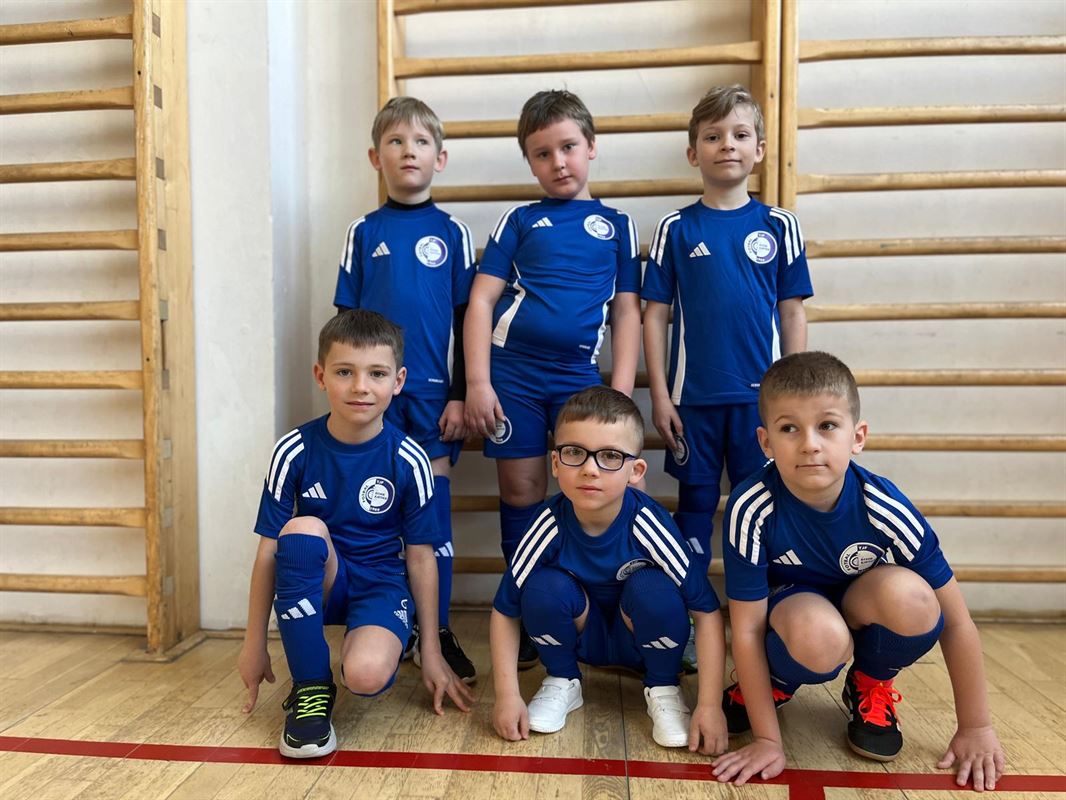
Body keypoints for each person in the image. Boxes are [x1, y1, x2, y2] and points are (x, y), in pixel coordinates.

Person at [712, 352, 1006, 791]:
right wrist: (768, 740)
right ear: (766, 442)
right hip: (794, 616)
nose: (810, 443)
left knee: (915, 598)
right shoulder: (752, 506)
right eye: (789, 428)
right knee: (819, 634)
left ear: (858, 437)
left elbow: (958, 621)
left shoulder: (883, 505)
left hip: (856, 602)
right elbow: (748, 630)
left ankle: (870, 680)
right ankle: (777, 680)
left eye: (827, 425)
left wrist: (976, 727)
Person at [237, 310, 473, 759]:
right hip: (324, 577)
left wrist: (432, 648)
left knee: (365, 676)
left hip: (381, 583)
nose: (361, 386)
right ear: (320, 376)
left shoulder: (410, 459)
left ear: (398, 381)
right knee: (301, 530)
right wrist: (253, 643)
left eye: (376, 374)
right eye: (345, 372)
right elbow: (268, 551)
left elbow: (421, 557)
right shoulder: (293, 450)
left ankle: (378, 639)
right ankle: (310, 688)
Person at [465, 90, 643, 668]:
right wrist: (478, 383)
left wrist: (618, 395)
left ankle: (594, 609)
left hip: (579, 382)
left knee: (593, 491)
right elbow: (481, 302)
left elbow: (627, 313)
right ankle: (522, 612)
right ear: (530, 162)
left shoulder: (616, 225)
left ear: (591, 147)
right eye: (542, 154)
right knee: (520, 493)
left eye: (568, 147)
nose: (558, 162)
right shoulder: (519, 220)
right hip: (511, 378)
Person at [490, 386, 728, 754]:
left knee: (653, 589)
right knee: (543, 587)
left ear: (636, 471)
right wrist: (506, 696)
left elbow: (707, 612)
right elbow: (505, 610)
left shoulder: (650, 523)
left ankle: (664, 686)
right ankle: (562, 680)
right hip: (582, 640)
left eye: (610, 456)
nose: (590, 469)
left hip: (642, 643)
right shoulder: (547, 523)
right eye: (574, 452)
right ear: (555, 463)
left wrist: (710, 706)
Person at [642, 84, 812, 586]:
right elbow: (654, 316)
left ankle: (760, 607)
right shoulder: (675, 227)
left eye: (740, 135)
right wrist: (659, 396)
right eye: (713, 136)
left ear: (760, 149)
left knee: (762, 504)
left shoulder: (780, 225)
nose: (727, 145)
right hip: (691, 400)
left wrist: (793, 396)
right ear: (694, 153)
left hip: (761, 402)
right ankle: (693, 607)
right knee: (695, 504)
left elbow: (792, 313)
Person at [333, 96, 477, 683]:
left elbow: (468, 321)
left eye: (420, 142)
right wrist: (352, 389)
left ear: (439, 158)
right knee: (375, 507)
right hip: (375, 398)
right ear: (376, 157)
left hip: (434, 400)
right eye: (395, 142)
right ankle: (388, 619)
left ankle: (436, 628)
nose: (407, 152)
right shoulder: (364, 232)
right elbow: (344, 327)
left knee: (431, 516)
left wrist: (461, 395)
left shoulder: (453, 232)